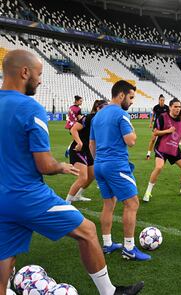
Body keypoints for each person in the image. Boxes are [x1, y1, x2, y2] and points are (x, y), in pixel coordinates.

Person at [0, 50, 144, 295]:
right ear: (25, 72)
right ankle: (109, 292)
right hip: (27, 195)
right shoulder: (30, 108)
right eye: (39, 74)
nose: (41, 80)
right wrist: (61, 166)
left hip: (2, 197)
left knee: (6, 257)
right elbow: (44, 165)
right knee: (87, 231)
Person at [90, 80, 150, 262]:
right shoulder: (121, 115)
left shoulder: (97, 115)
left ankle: (107, 244)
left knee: (108, 204)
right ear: (121, 95)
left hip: (99, 165)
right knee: (132, 204)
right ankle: (129, 249)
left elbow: (92, 144)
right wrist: (133, 132)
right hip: (115, 165)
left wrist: (98, 162)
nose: (132, 102)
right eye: (131, 97)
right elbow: (130, 141)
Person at [143, 98, 181, 202]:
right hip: (162, 147)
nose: (178, 109)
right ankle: (148, 192)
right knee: (159, 167)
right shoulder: (162, 117)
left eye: (179, 107)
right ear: (170, 107)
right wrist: (168, 131)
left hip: (174, 148)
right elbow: (155, 133)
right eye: (175, 107)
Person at [66, 100, 108, 204]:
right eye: (104, 108)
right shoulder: (89, 118)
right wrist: (79, 143)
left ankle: (78, 196)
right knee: (83, 178)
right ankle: (66, 203)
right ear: (98, 108)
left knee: (91, 176)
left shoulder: (103, 120)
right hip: (78, 149)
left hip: (88, 150)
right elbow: (73, 129)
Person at [146, 95, 169, 160]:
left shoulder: (167, 108)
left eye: (163, 100)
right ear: (159, 100)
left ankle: (164, 153)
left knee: (164, 140)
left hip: (164, 126)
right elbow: (153, 116)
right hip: (156, 125)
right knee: (153, 139)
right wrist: (151, 123)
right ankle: (148, 154)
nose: (162, 101)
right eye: (161, 100)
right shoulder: (156, 107)